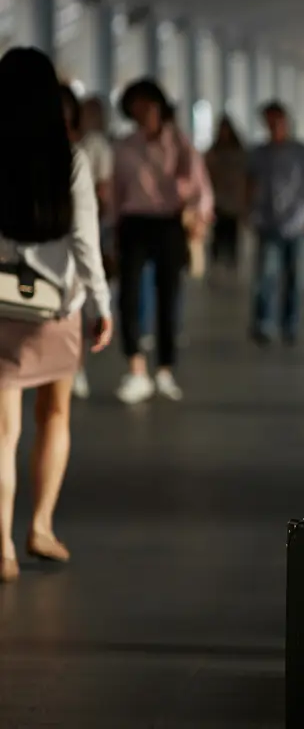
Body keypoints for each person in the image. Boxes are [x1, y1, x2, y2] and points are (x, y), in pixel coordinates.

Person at [0, 49, 112, 583]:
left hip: (0, 310)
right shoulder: (71, 160)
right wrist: (100, 306)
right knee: (55, 416)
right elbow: (87, 245)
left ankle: (0, 545)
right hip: (57, 309)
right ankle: (40, 527)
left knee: (3, 431)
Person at [110, 79, 212, 404]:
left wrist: (198, 217)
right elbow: (115, 191)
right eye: (136, 105)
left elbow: (200, 188)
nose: (143, 112)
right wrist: (110, 228)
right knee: (128, 295)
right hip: (133, 223)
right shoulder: (124, 146)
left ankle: (165, 369)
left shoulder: (180, 144)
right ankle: (136, 368)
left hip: (168, 223)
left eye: (149, 104)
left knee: (168, 295)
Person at [246, 101, 304, 346]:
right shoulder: (259, 153)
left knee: (295, 279)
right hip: (267, 223)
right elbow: (250, 184)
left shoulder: (303, 152)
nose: (273, 126)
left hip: (297, 224)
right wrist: (249, 211)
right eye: (269, 122)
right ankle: (263, 323)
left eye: (277, 121)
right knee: (266, 276)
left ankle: (290, 325)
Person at [205, 115, 249, 276]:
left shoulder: (239, 151)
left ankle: (231, 259)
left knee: (232, 231)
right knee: (218, 230)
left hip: (234, 198)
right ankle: (217, 259)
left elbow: (246, 174)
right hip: (218, 198)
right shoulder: (214, 150)